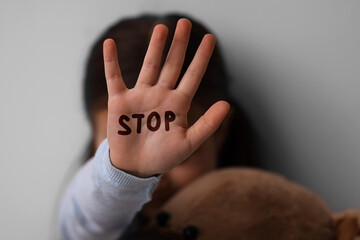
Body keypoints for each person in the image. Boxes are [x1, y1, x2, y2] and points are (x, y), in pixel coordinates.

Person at [59, 13, 258, 240]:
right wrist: (121, 175)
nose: (154, 178)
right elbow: (82, 225)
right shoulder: (94, 220)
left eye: (182, 156)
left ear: (220, 132)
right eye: (115, 145)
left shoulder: (266, 217)